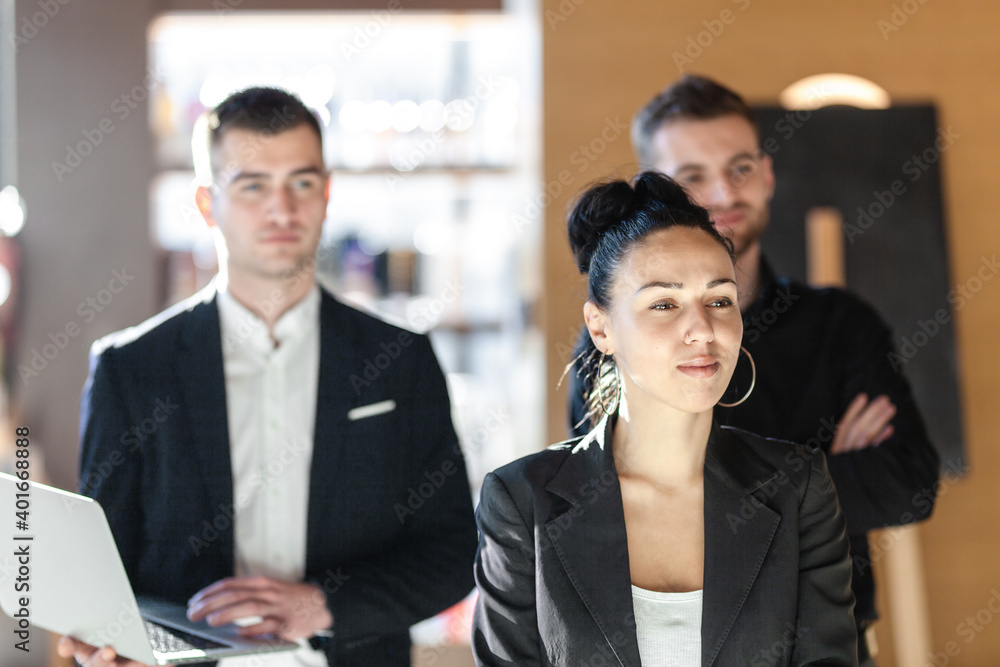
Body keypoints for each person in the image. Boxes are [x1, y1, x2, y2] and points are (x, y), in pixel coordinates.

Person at [59, 87, 478, 667]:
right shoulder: (130, 370)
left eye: (301, 183)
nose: (282, 209)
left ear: (327, 193)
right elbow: (104, 566)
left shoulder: (399, 361)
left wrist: (325, 605)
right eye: (253, 185)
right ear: (208, 204)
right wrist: (104, 639)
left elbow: (455, 551)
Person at [570, 74, 940, 665]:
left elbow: (909, 483)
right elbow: (600, 507)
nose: (723, 191)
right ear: (658, 192)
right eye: (693, 177)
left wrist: (701, 496)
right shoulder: (610, 346)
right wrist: (818, 470)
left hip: (828, 641)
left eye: (740, 168)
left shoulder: (841, 324)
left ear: (767, 176)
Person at [474, 171, 857, 665]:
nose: (701, 329)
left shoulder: (798, 488)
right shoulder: (522, 501)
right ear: (602, 327)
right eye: (663, 303)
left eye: (719, 300)